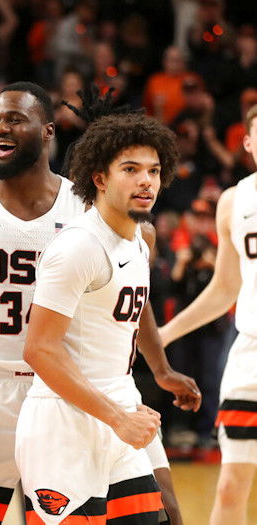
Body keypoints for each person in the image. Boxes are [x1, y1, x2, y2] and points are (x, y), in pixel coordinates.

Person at [0, 82, 198, 525]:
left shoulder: (93, 209)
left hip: (73, 388)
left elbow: (132, 296)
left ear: (49, 131)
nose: (0, 127)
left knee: (164, 509)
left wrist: (161, 368)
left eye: (15, 119)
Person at [16, 112, 181, 523]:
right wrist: (118, 417)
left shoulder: (138, 242)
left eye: (154, 171)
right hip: (64, 424)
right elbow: (38, 350)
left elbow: (131, 313)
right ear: (100, 179)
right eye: (131, 170)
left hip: (119, 411)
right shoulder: (78, 247)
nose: (146, 181)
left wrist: (157, 373)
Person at [158, 103, 257, 525]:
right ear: (248, 142)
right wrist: (163, 334)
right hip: (250, 354)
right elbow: (224, 287)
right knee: (231, 485)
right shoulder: (234, 201)